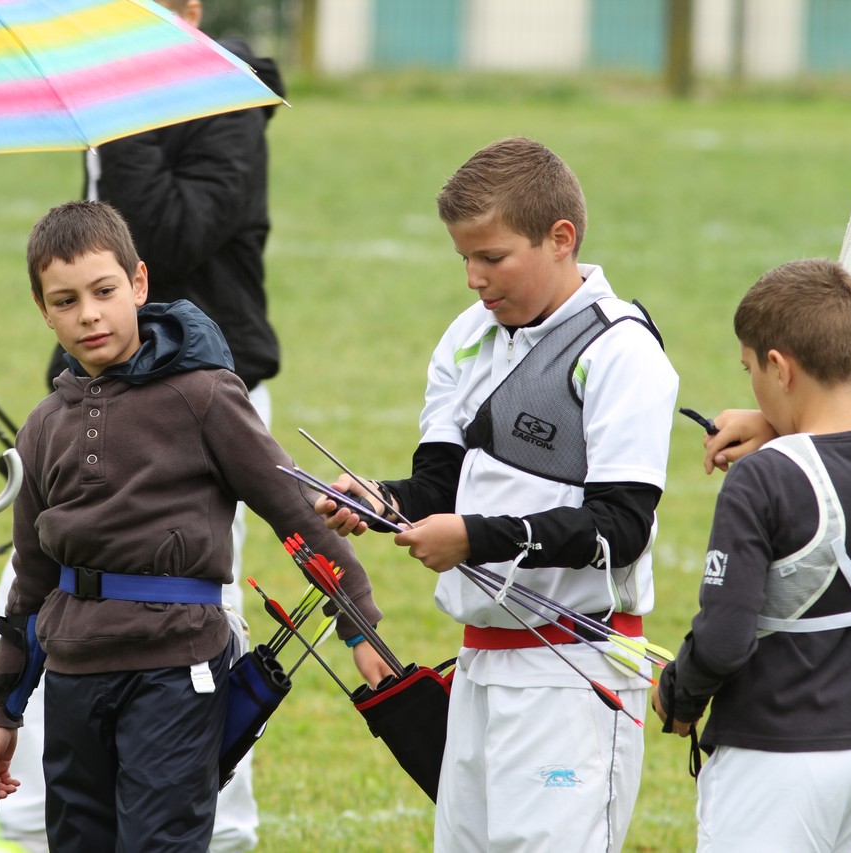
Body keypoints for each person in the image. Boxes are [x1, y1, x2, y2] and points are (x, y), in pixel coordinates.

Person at [0, 200, 392, 853]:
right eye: (66, 300)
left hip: (177, 670)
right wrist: (4, 710)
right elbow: (30, 585)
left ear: (138, 283)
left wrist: (357, 622)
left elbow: (290, 510)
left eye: (105, 291)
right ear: (43, 309)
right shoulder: (41, 427)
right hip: (75, 677)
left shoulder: (206, 395)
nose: (89, 313)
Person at [315, 137, 679, 852]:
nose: (474, 279)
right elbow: (436, 487)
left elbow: (621, 526)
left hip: (576, 670)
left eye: (493, 256)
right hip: (481, 666)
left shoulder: (622, 351)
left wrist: (475, 537)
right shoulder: (465, 336)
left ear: (560, 238)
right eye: (464, 258)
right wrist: (378, 499)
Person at [4, 2, 287, 848]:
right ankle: (34, 813)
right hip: (97, 395)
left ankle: (216, 821)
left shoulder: (224, 101)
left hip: (204, 395)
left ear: (186, 12)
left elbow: (170, 233)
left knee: (202, 609)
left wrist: (123, 110)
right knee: (48, 587)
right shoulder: (90, 91)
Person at [651, 259, 851, 851]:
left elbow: (724, 641)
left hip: (775, 758)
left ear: (779, 367)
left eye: (748, 368)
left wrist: (678, 693)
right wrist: (782, 424)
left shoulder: (763, 480)